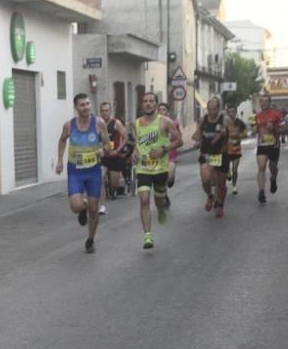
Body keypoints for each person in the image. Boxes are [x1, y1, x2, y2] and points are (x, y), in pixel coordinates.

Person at [56, 93, 110, 253]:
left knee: (95, 209)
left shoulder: (99, 123)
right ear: (76, 107)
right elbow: (62, 140)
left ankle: (90, 240)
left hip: (93, 171)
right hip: (75, 171)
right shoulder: (69, 125)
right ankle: (82, 207)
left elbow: (108, 144)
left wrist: (102, 150)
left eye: (87, 104)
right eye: (82, 105)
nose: (86, 107)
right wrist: (59, 161)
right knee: (75, 205)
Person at [132, 92, 182, 248]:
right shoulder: (137, 123)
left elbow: (179, 140)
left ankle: (160, 210)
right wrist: (134, 152)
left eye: (151, 101)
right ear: (142, 104)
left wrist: (164, 149)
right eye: (145, 101)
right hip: (144, 168)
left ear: (156, 104)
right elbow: (138, 143)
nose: (148, 104)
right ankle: (147, 236)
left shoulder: (165, 122)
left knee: (158, 200)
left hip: (160, 169)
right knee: (144, 199)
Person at [192, 96, 232, 218]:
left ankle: (220, 204)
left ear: (218, 109)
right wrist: (198, 138)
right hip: (207, 154)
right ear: (207, 109)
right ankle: (210, 196)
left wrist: (227, 133)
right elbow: (197, 137)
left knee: (221, 184)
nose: (212, 112)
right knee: (205, 180)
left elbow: (236, 134)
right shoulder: (203, 120)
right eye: (210, 109)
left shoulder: (225, 120)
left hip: (221, 154)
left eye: (214, 109)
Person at [254, 94, 284, 204]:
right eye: (261, 101)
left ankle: (273, 179)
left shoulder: (277, 114)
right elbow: (256, 130)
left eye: (266, 101)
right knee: (261, 167)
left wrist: (274, 128)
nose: (263, 103)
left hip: (274, 144)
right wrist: (254, 130)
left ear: (269, 102)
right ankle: (261, 192)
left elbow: (283, 129)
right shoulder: (257, 116)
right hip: (262, 145)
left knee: (273, 167)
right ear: (260, 103)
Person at [99, 101, 129, 209]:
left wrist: (118, 149)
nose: (104, 113)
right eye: (102, 111)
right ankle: (102, 202)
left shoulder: (116, 123)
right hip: (103, 156)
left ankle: (118, 185)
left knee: (114, 184)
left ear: (110, 111)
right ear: (100, 112)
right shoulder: (98, 123)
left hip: (115, 156)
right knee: (100, 177)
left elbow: (125, 137)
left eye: (107, 110)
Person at [226, 106, 248, 195]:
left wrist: (240, 136)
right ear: (228, 113)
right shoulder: (224, 122)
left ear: (235, 112)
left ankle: (234, 186)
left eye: (233, 112)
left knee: (235, 170)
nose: (232, 113)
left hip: (236, 149)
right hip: (226, 149)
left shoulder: (240, 123)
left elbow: (246, 133)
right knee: (227, 167)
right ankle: (228, 173)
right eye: (230, 112)